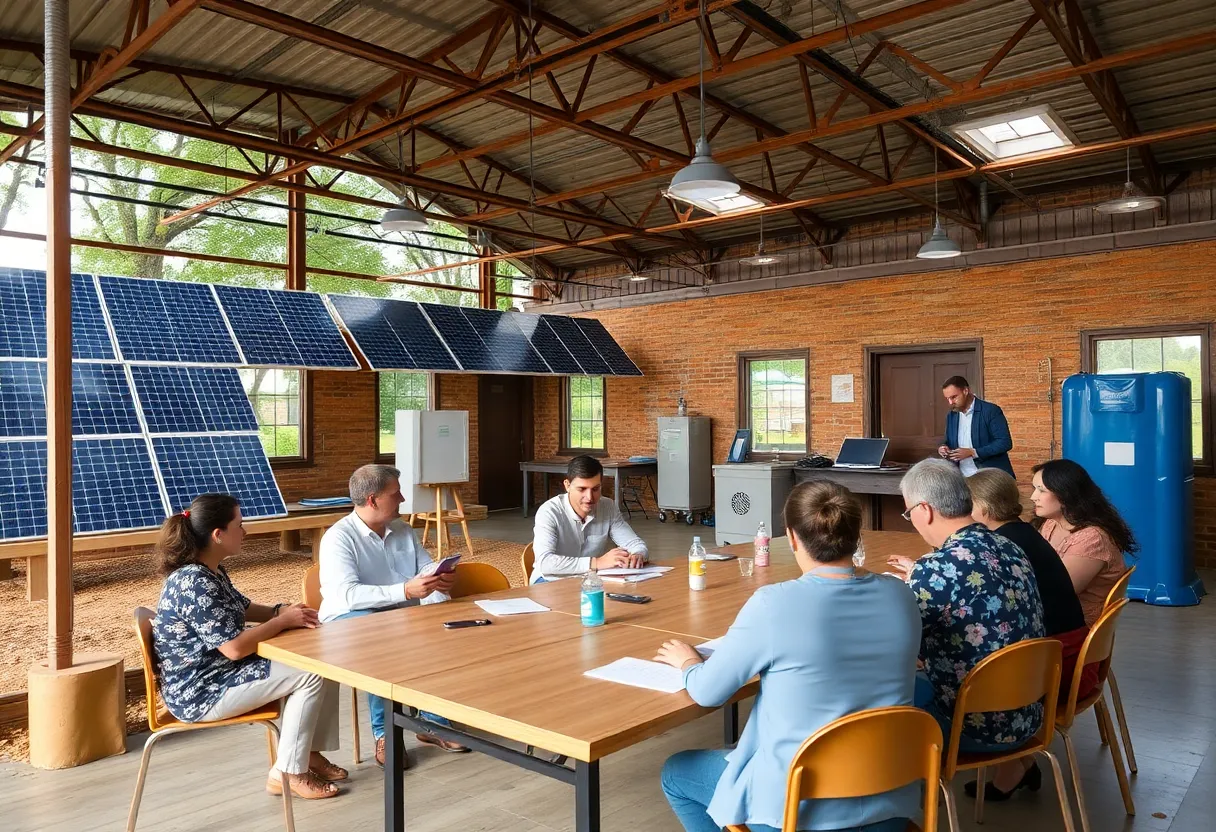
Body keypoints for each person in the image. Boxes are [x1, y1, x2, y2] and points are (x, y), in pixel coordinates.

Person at [655, 482, 920, 832]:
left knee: (677, 772)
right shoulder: (901, 595)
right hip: (891, 803)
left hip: (796, 808)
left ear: (791, 537)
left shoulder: (773, 604)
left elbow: (708, 692)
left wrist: (689, 662)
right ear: (857, 537)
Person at [151, 493, 345, 800]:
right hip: (202, 691)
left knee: (324, 661)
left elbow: (240, 607)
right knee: (312, 674)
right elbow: (234, 649)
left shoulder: (209, 569)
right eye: (239, 525)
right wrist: (281, 622)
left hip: (218, 674)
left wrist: (278, 611)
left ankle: (305, 754)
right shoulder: (193, 582)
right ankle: (287, 772)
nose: (246, 531)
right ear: (218, 535)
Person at [888, 460, 1045, 773]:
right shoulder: (1010, 545)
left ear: (925, 510)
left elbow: (900, 653)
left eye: (908, 514)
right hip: (1030, 711)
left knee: (881, 693)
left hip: (972, 726)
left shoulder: (934, 569)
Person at [318, 463, 468, 766]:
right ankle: (385, 732)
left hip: (397, 613)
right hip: (349, 619)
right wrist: (407, 591)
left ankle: (430, 720)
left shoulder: (401, 528)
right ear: (373, 500)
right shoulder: (339, 539)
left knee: (444, 626)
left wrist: (437, 576)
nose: (402, 500)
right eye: (396, 494)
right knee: (383, 640)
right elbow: (348, 596)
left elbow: (422, 566)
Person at [964, 469, 1096, 801]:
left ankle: (1011, 762)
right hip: (1067, 650)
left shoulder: (1002, 544)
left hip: (1053, 665)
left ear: (983, 507)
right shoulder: (1020, 532)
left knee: (957, 671)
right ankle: (1015, 763)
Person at [1031, 459, 1135, 626]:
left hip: (1074, 627)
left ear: (1065, 494)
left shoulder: (1092, 539)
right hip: (1055, 618)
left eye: (1041, 490)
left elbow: (1057, 593)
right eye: (1034, 488)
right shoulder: (1052, 523)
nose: (1033, 497)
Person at [529, 455, 648, 583]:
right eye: (582, 489)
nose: (590, 497)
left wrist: (638, 554)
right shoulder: (549, 512)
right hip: (549, 580)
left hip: (590, 580)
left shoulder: (607, 507)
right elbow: (545, 563)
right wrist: (597, 562)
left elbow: (635, 544)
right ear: (567, 485)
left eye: (596, 489)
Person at [938, 375, 1015, 478]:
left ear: (965, 391)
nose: (950, 402)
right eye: (947, 399)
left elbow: (1005, 442)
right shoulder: (951, 415)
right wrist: (943, 447)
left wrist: (972, 452)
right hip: (961, 478)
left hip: (991, 479)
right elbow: (948, 441)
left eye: (954, 397)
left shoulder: (991, 411)